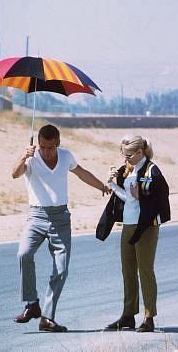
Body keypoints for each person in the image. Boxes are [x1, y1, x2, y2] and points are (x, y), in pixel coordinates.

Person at [12, 124, 110, 332]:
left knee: (61, 269)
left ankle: (47, 317)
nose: (46, 152)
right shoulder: (31, 156)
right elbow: (15, 174)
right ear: (38, 143)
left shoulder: (66, 156)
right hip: (36, 216)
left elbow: (82, 173)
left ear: (58, 143)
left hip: (60, 219)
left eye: (50, 147)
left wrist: (102, 186)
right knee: (23, 254)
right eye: (43, 147)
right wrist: (24, 157)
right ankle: (31, 304)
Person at [104, 134, 170, 333]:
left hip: (147, 226)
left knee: (145, 271)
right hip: (129, 224)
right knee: (128, 271)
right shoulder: (127, 170)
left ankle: (149, 317)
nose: (125, 160)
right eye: (123, 155)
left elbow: (162, 196)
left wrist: (143, 196)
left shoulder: (152, 170)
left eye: (129, 156)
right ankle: (128, 315)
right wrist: (113, 185)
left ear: (140, 152)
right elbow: (128, 199)